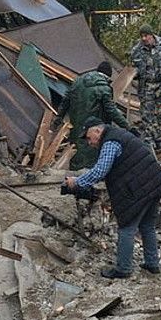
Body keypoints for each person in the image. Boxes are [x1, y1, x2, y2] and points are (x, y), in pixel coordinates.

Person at [66, 121, 161, 280]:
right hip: (153, 183)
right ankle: (152, 264)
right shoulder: (120, 134)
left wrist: (77, 182)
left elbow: (101, 170)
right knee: (147, 226)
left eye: (90, 139)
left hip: (138, 188)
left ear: (97, 131)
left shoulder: (110, 142)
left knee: (126, 228)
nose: (90, 143)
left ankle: (123, 269)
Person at [61, 61, 129, 246]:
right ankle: (88, 201)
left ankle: (73, 199)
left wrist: (59, 119)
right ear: (107, 76)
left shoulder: (77, 81)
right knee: (94, 168)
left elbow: (66, 100)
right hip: (95, 132)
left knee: (76, 161)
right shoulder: (103, 88)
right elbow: (111, 110)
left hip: (78, 130)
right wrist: (126, 126)